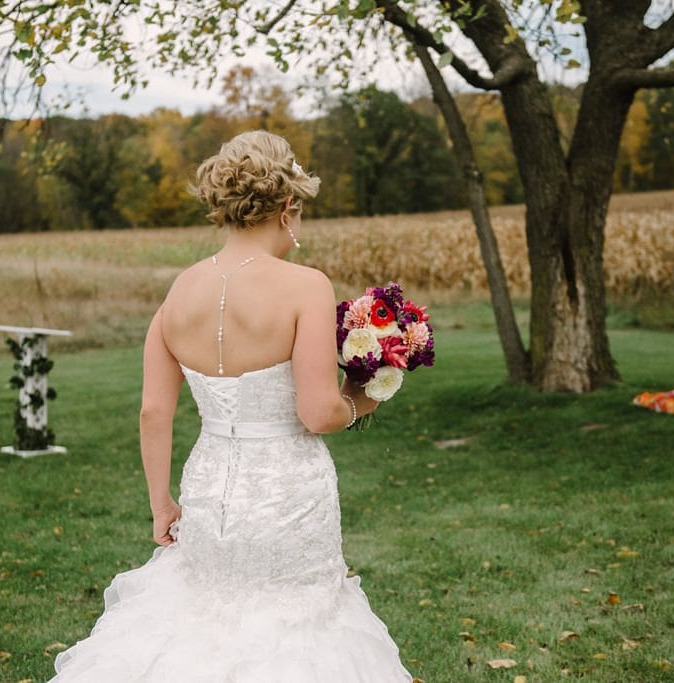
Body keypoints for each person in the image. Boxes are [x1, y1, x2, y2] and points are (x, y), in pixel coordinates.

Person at [51, 131, 413, 682]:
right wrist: (371, 393)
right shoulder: (305, 286)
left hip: (208, 491)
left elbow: (154, 412)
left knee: (201, 622)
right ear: (288, 207)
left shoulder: (180, 291)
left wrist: (160, 505)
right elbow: (318, 412)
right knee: (300, 632)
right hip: (288, 499)